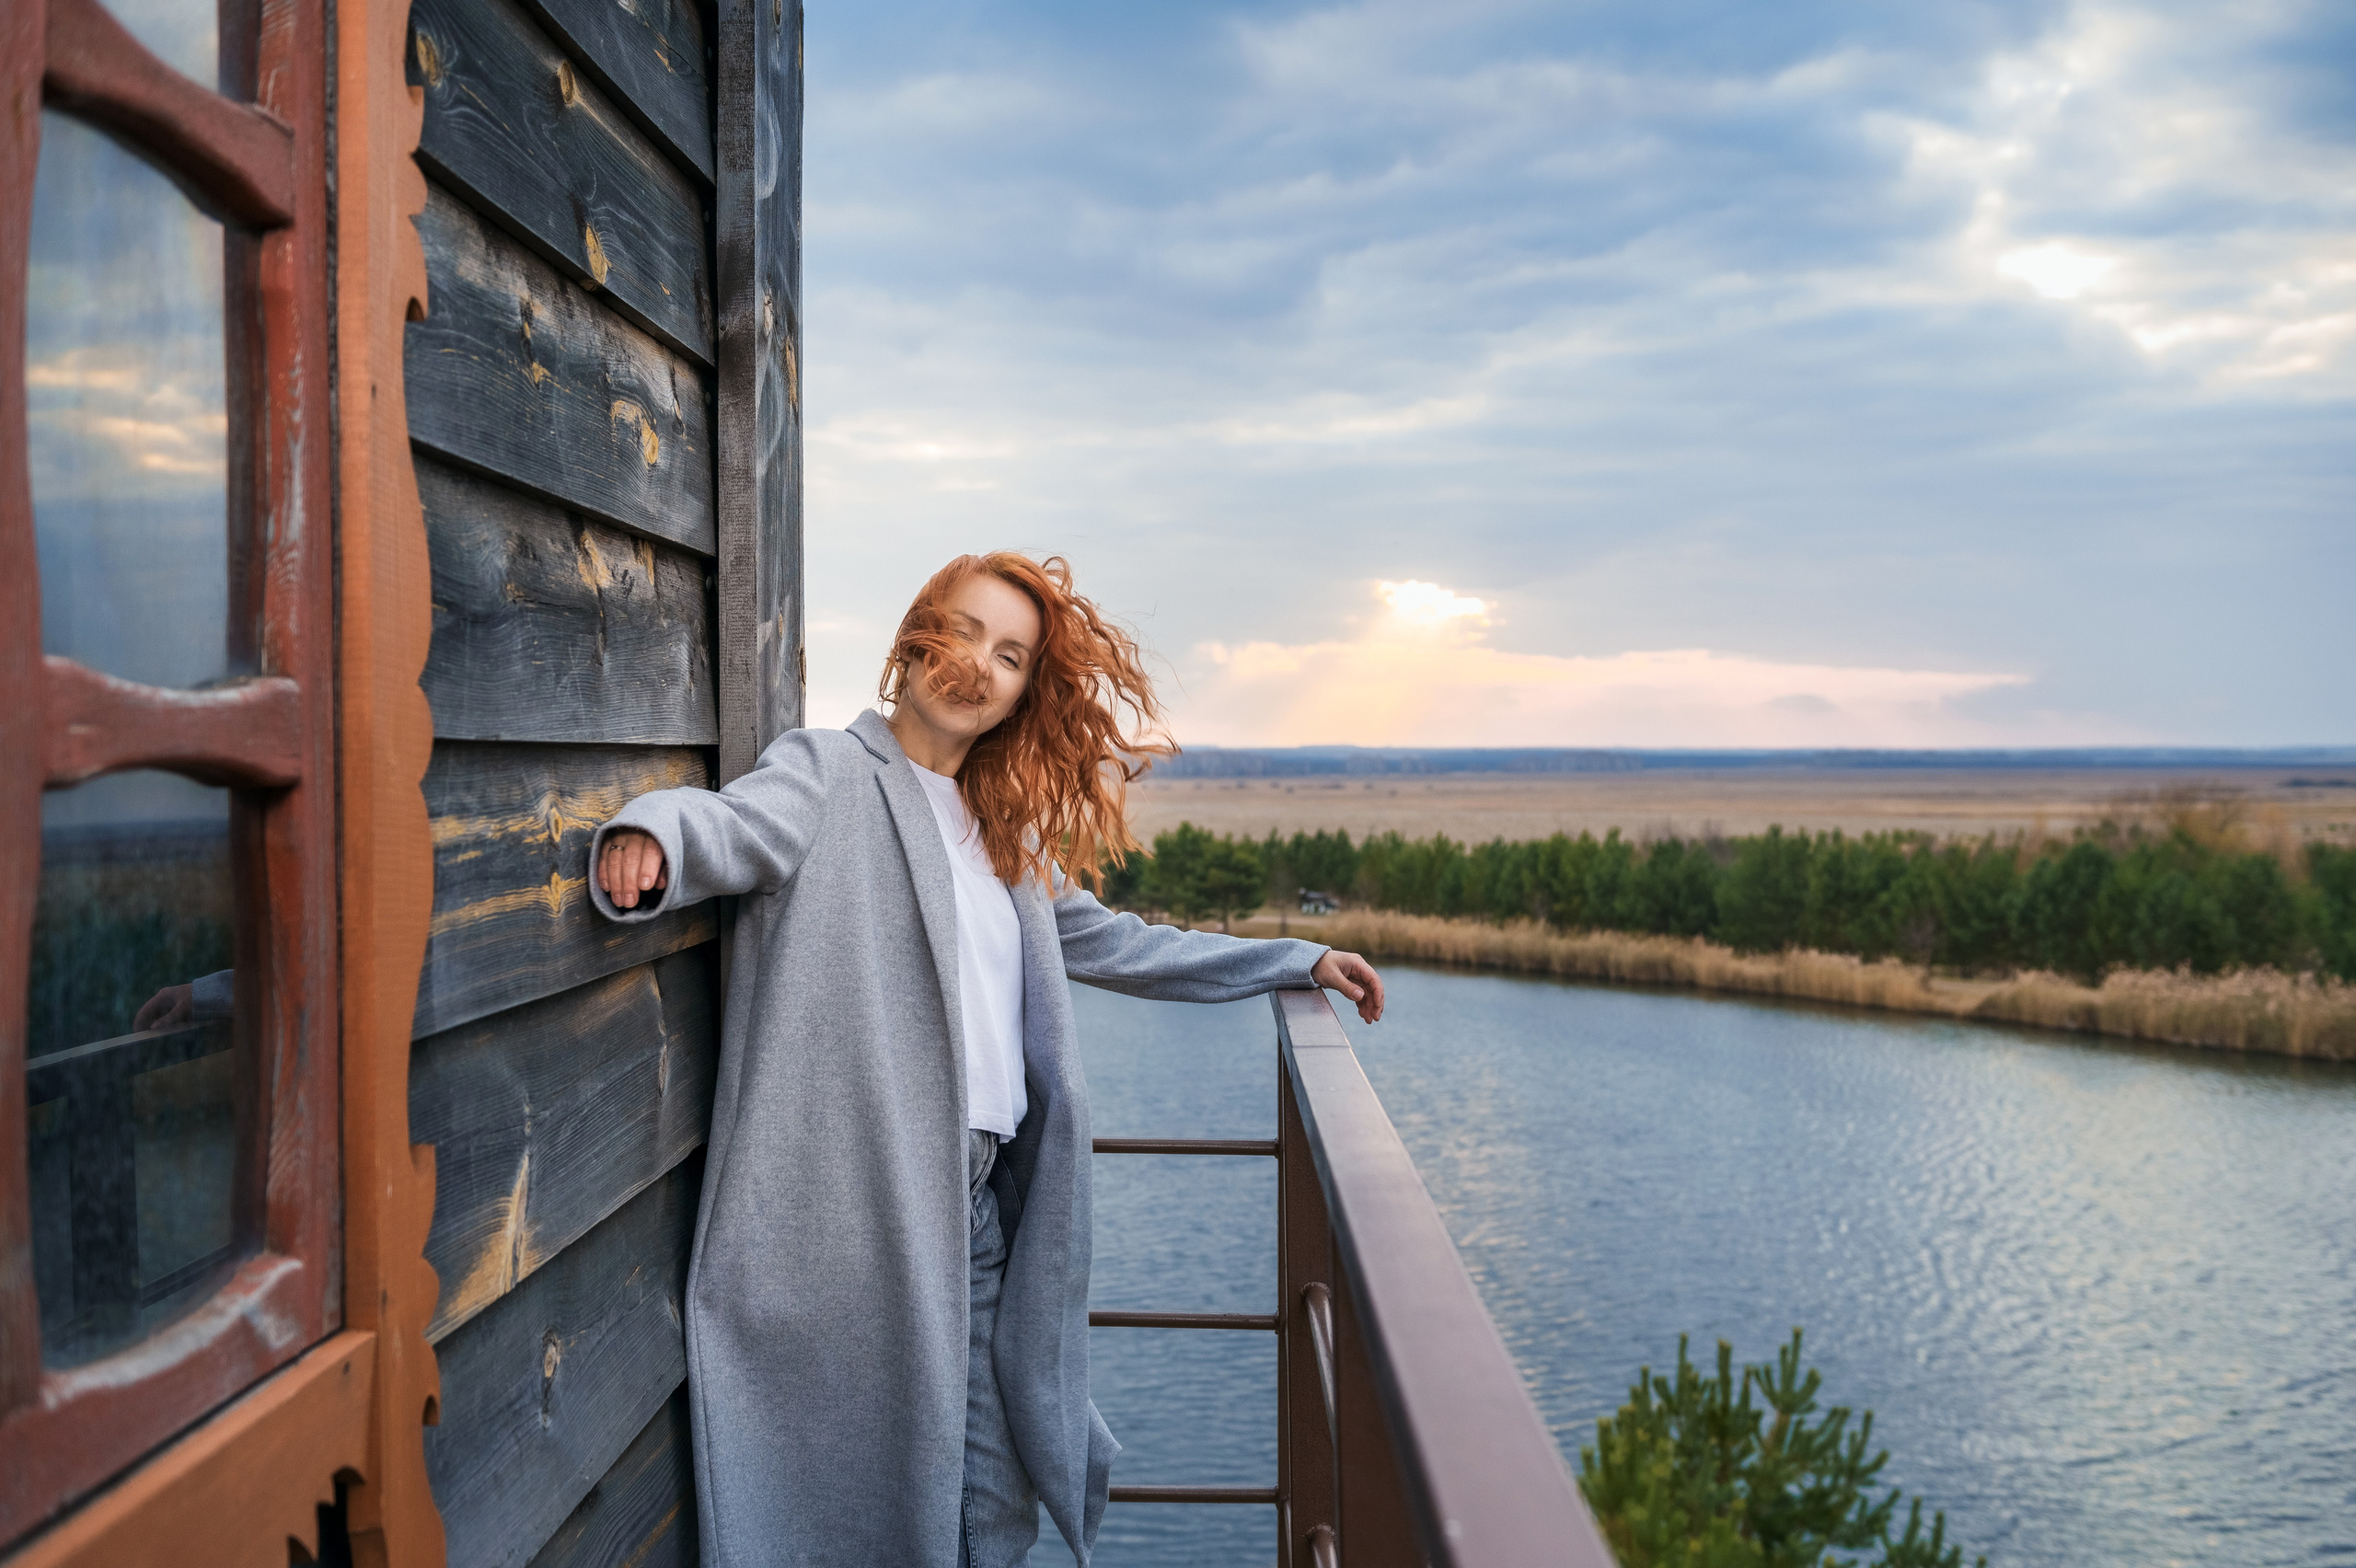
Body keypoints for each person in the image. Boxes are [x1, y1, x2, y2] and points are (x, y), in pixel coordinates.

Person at [589, 552, 1384, 1568]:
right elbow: (733, 825)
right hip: (860, 1201)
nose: (977, 665)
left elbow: (1127, 942)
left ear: (1020, 696)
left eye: (1008, 656)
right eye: (962, 632)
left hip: (975, 1212)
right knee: (875, 1481)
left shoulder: (1001, 839)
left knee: (988, 1481)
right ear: (916, 638)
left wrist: (1295, 957)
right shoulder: (830, 772)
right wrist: (652, 837)